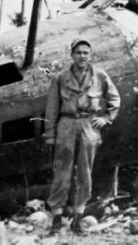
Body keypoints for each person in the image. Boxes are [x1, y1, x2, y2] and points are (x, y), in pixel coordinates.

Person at [44, 39, 121, 233]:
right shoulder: (61, 78)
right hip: (66, 126)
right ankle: (57, 218)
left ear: (90, 55)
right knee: (62, 174)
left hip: (89, 126)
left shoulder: (100, 76)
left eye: (86, 52)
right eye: (78, 52)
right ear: (72, 55)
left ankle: (78, 217)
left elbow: (114, 99)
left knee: (84, 174)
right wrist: (51, 135)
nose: (82, 56)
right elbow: (52, 109)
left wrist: (106, 118)